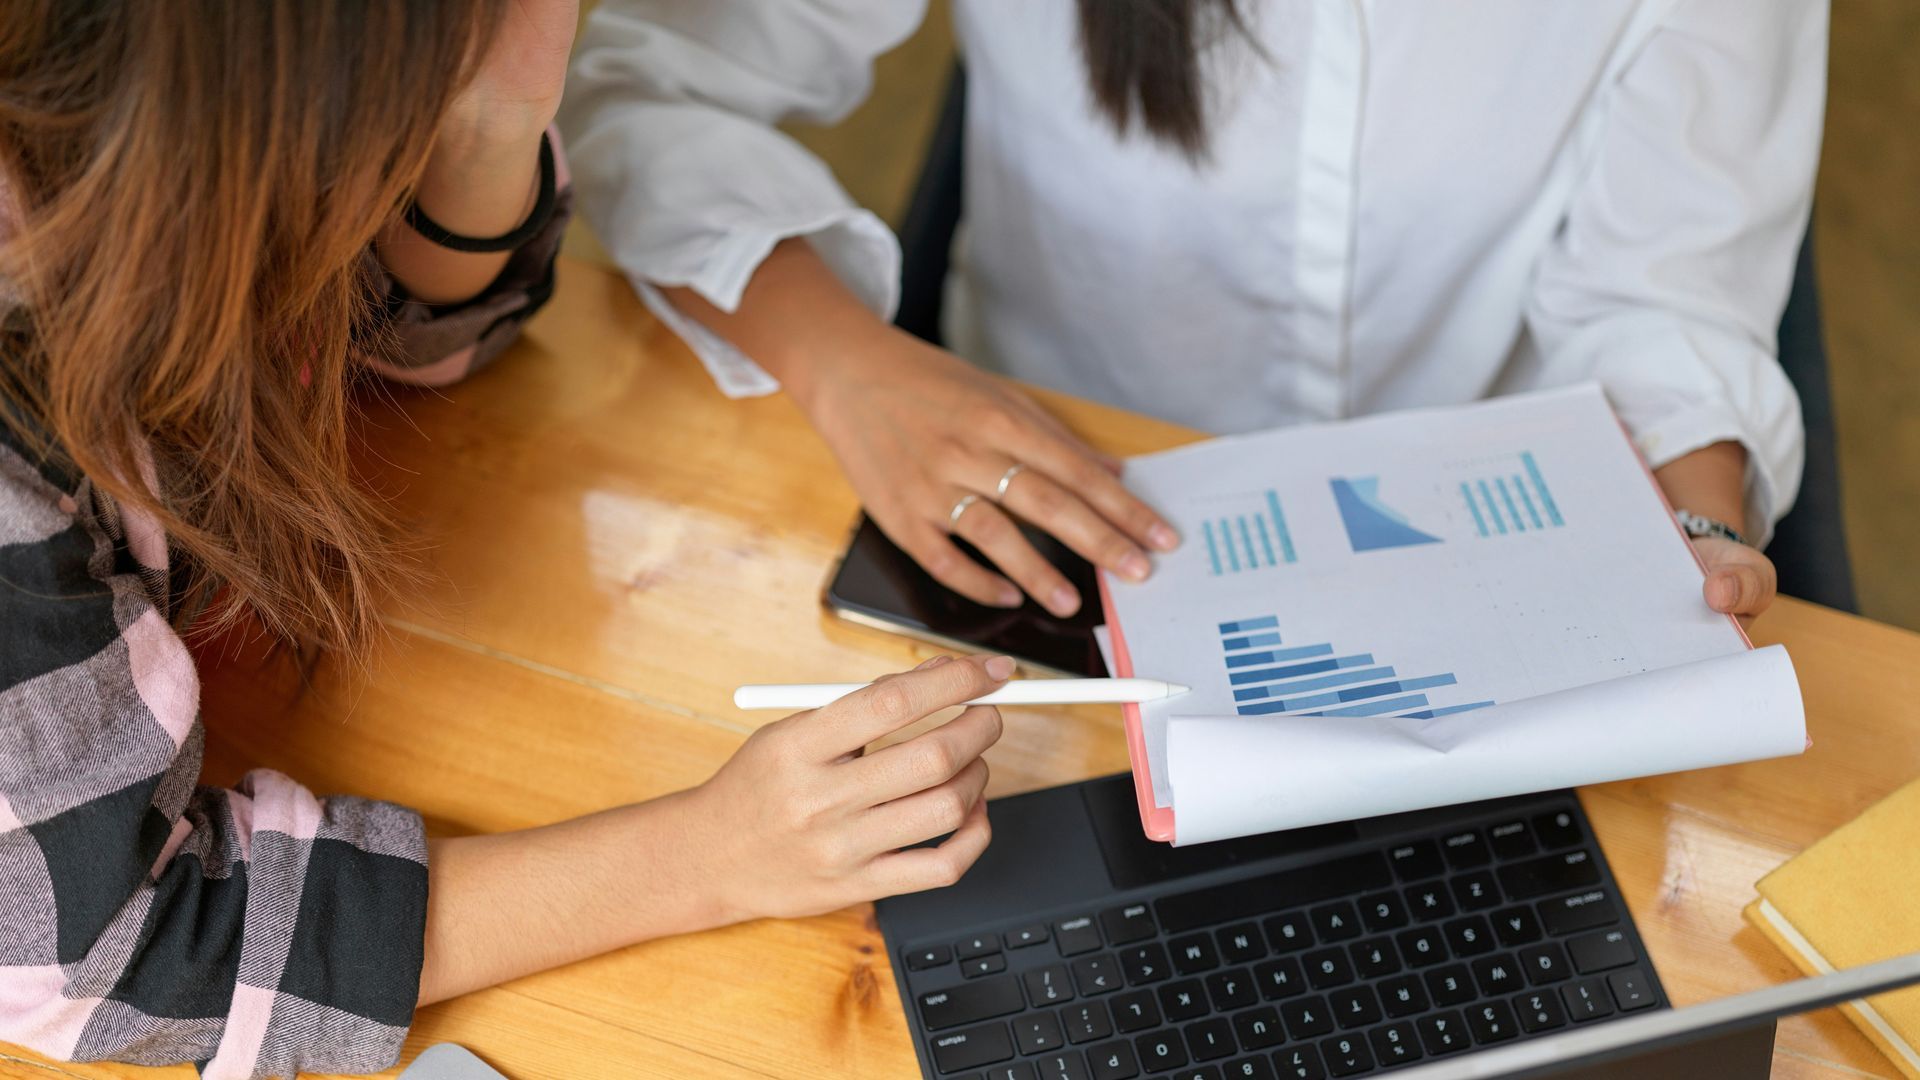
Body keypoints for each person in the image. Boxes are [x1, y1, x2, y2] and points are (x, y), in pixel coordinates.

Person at [0, 4, 1002, 1076]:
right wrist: (710, 855)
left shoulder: (169, 187)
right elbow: (99, 957)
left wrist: (491, 117)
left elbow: (390, 327)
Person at [561, 0, 1822, 626]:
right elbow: (635, 83)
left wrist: (1693, 523)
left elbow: (1667, 295)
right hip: (1047, 524)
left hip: (1480, 563)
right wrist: (847, 367)